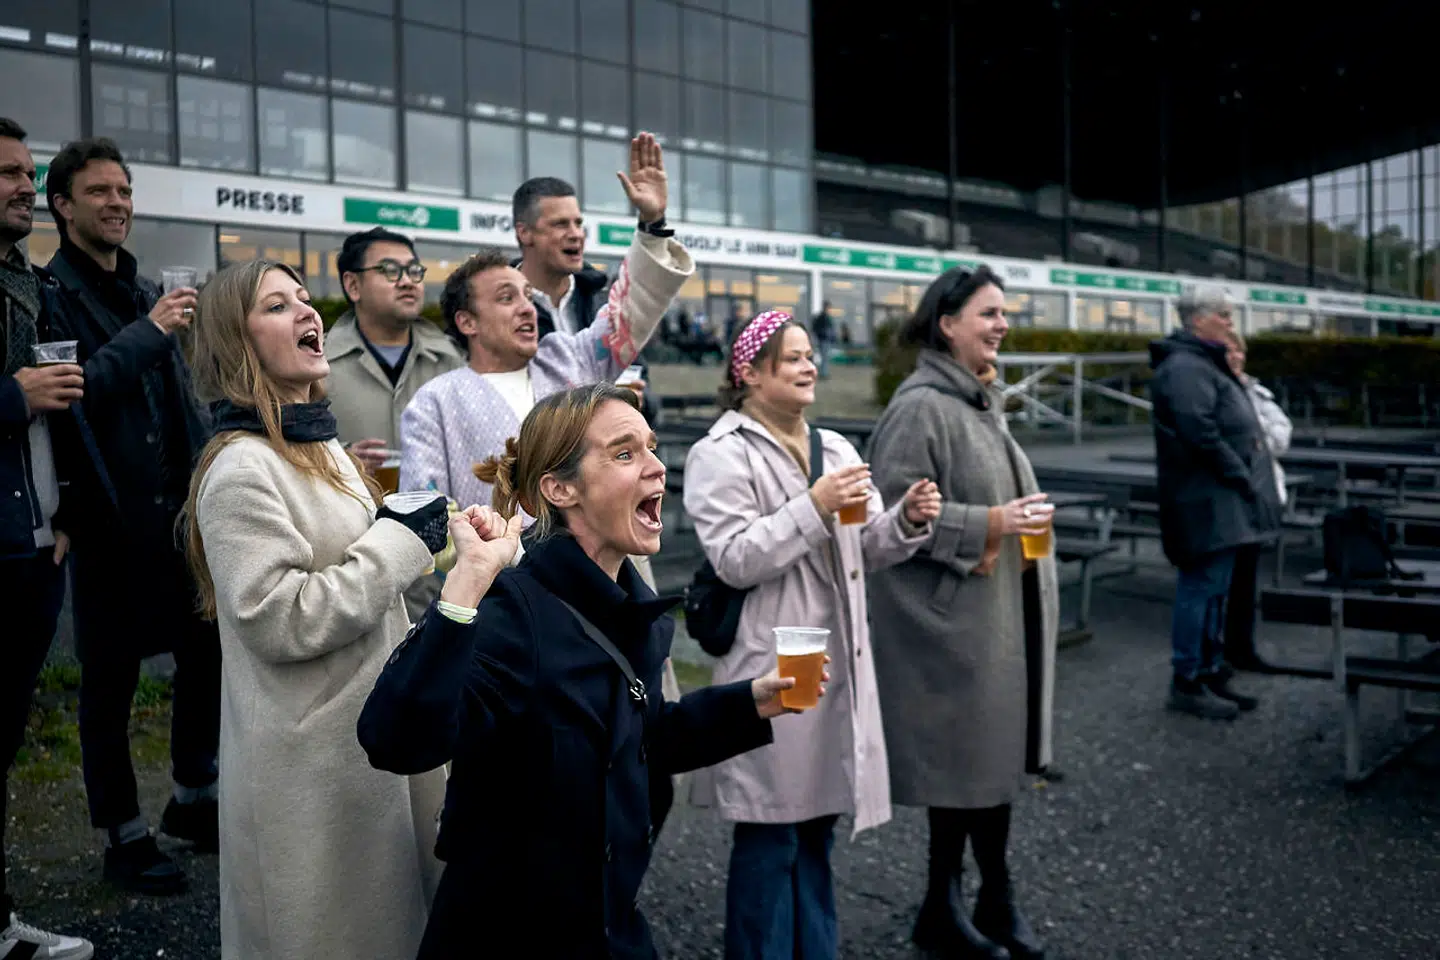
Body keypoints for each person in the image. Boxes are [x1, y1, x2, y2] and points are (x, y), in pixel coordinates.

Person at [358, 382, 813, 958]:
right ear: (560, 488)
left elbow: (639, 741)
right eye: (626, 454)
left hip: (610, 932)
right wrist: (467, 581)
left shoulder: (630, 612)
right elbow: (394, 740)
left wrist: (749, 702)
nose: (656, 467)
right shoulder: (514, 613)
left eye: (651, 448)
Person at [183, 259, 447, 960]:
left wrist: (434, 543)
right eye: (278, 305)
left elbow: (358, 565)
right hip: (310, 774)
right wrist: (400, 542)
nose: (307, 313)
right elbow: (280, 616)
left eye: (305, 299)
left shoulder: (316, 444)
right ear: (236, 342)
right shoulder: (241, 469)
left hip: (362, 747)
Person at [683, 310, 941, 959]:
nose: (810, 367)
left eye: (810, 355)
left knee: (818, 833)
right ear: (749, 372)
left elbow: (867, 547)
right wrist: (814, 505)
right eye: (793, 357)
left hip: (837, 666)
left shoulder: (838, 448)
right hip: (769, 668)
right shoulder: (720, 452)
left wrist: (906, 521)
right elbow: (735, 558)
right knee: (771, 837)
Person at [42, 136, 219, 894]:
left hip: (177, 515)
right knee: (109, 683)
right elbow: (77, 391)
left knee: (206, 654)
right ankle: (122, 833)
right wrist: (152, 332)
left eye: (124, 190)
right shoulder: (49, 293)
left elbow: (178, 402)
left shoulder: (146, 289)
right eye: (98, 192)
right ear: (62, 204)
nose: (117, 203)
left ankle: (191, 796)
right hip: (105, 519)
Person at [867, 266, 1059, 960]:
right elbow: (885, 516)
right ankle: (954, 902)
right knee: (967, 766)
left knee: (990, 763)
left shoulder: (976, 399)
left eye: (1004, 313)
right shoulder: (921, 407)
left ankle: (981, 898)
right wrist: (991, 521)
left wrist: (1012, 519)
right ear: (947, 324)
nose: (1003, 324)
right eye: (989, 313)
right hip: (951, 625)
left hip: (993, 614)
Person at [400, 133, 691, 511]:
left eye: (526, 294)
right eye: (507, 298)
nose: (526, 307)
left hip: (596, 561)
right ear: (467, 322)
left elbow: (633, 307)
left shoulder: (571, 358)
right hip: (495, 567)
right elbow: (426, 515)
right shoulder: (435, 403)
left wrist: (651, 223)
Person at [0, 116, 94, 960]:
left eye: (27, 172)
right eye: (6, 173)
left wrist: (60, 521)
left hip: (31, 549)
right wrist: (12, 395)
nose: (24, 186)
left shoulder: (21, 281)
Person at [1148, 284, 1280, 718]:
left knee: (1217, 592)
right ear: (1199, 318)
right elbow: (1199, 430)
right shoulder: (1186, 368)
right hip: (1205, 500)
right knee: (1201, 589)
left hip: (1219, 499)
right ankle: (1187, 680)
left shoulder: (1202, 363)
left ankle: (1209, 671)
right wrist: (1239, 472)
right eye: (1222, 314)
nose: (1230, 321)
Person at [323, 226, 464, 474]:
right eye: (390, 271)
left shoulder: (453, 361)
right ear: (353, 285)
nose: (407, 282)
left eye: (413, 271)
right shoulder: (316, 365)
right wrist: (338, 461)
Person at [1222, 329, 1292, 672]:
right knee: (1225, 577)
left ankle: (1242, 646)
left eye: (1240, 352)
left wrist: (1257, 437)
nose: (1235, 357)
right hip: (1232, 493)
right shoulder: (1217, 390)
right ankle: (1221, 650)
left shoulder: (1256, 391)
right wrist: (1256, 438)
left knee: (1247, 577)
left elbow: (1281, 436)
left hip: (1262, 492)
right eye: (1229, 351)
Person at [811, 301, 834, 379]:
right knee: (824, 357)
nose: (829, 309)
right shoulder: (822, 317)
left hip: (825, 339)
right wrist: (822, 334)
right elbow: (817, 328)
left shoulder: (825, 317)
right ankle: (823, 373)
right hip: (823, 339)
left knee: (825, 357)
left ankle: (824, 373)